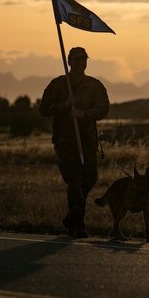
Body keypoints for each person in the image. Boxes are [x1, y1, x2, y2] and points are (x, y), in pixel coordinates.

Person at [39, 47, 110, 238]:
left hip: (87, 139)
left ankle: (71, 216)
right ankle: (78, 221)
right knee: (74, 178)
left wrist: (83, 114)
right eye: (77, 60)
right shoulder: (58, 85)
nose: (80, 63)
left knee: (90, 177)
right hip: (65, 140)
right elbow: (43, 109)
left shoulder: (95, 86)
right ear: (69, 62)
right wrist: (63, 106)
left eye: (83, 60)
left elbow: (104, 109)